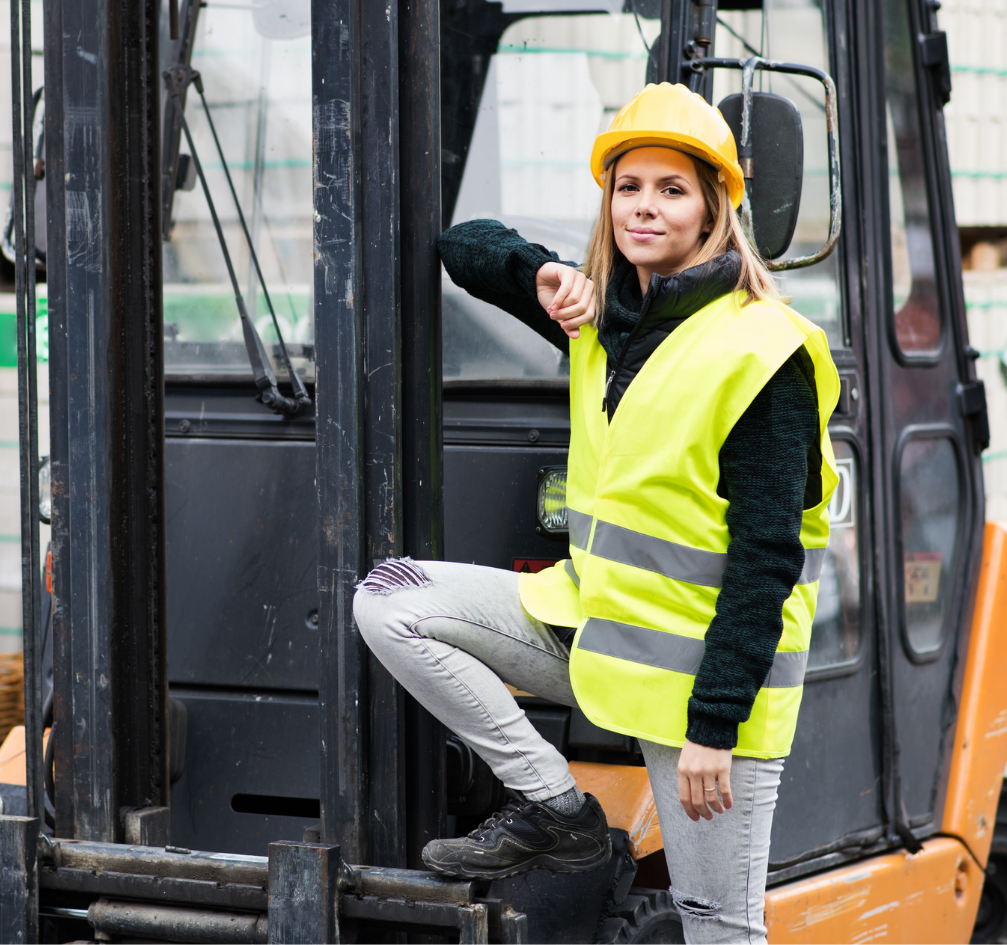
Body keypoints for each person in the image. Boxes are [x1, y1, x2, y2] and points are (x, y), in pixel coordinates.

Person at [352, 83, 839, 944]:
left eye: (671, 189)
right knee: (392, 600)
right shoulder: (605, 320)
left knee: (717, 920)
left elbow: (769, 554)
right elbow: (460, 245)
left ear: (715, 208)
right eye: (628, 187)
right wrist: (540, 275)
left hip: (708, 683)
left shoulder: (763, 349)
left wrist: (712, 728)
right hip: (602, 630)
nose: (644, 206)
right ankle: (555, 805)